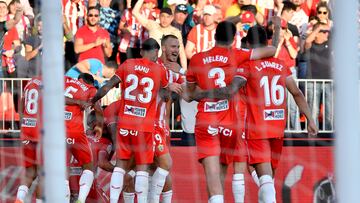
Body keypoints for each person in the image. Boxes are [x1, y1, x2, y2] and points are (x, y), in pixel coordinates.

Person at [194, 25, 318, 202]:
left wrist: (202, 94)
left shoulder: (247, 65)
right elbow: (297, 93)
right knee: (268, 180)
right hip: (277, 128)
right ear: (267, 42)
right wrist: (310, 119)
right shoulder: (281, 65)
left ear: (249, 44)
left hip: (256, 129)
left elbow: (231, 89)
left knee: (264, 179)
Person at [185, 20, 280, 203]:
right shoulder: (237, 54)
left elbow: (190, 95)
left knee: (213, 178)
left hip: (206, 121)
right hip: (230, 122)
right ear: (233, 39)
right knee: (223, 170)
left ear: (214, 36)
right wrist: (276, 29)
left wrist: (202, 93)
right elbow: (272, 50)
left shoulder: (197, 58)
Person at [90, 38, 169, 203]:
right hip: (145, 126)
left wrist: (92, 100)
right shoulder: (159, 69)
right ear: (157, 53)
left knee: (121, 165)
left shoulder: (128, 64)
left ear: (141, 52)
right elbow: (167, 95)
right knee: (142, 167)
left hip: (125, 123)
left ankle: (112, 200)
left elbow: (108, 86)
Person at [148, 34, 184, 203]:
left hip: (162, 125)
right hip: (148, 123)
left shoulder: (177, 69)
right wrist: (167, 87)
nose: (176, 50)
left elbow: (181, 93)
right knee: (162, 164)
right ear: (163, 48)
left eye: (177, 47)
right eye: (172, 46)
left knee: (160, 167)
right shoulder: (153, 65)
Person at [64, 73, 103, 203]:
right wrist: (99, 127)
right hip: (75, 131)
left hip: (56, 131)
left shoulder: (66, 80)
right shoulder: (91, 89)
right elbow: (98, 108)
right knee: (88, 166)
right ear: (91, 83)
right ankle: (80, 200)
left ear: (79, 79)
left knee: (62, 169)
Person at [132, 0, 187, 70]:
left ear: (172, 18)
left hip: (167, 67)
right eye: (163, 16)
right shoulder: (152, 25)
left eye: (168, 17)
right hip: (151, 65)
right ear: (159, 17)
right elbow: (135, 12)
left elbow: (181, 53)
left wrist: (185, 71)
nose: (165, 19)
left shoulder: (175, 32)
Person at [15, 77, 43, 203]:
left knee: (29, 172)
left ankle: (19, 199)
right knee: (43, 172)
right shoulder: (50, 82)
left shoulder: (30, 82)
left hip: (27, 128)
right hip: (40, 130)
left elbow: (20, 104)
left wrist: (24, 121)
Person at [0, 0, 22, 70]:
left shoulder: (10, 27)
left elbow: (18, 45)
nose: (1, 9)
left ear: (7, 11)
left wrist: (12, 51)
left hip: (8, 64)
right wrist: (4, 51)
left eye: (4, 7)